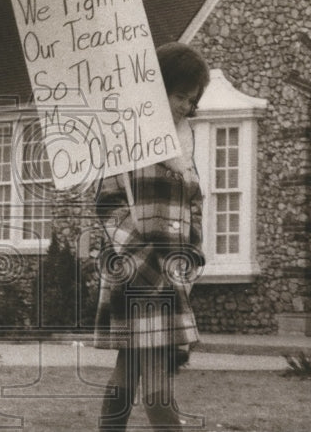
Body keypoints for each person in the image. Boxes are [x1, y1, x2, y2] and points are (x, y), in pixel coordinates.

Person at [94, 42, 210, 432]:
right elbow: (108, 204)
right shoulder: (126, 137)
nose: (187, 108)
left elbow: (195, 205)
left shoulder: (185, 142)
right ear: (158, 88)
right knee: (155, 383)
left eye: (192, 101)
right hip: (136, 273)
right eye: (180, 96)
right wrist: (138, 259)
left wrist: (192, 256)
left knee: (127, 374)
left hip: (171, 274)